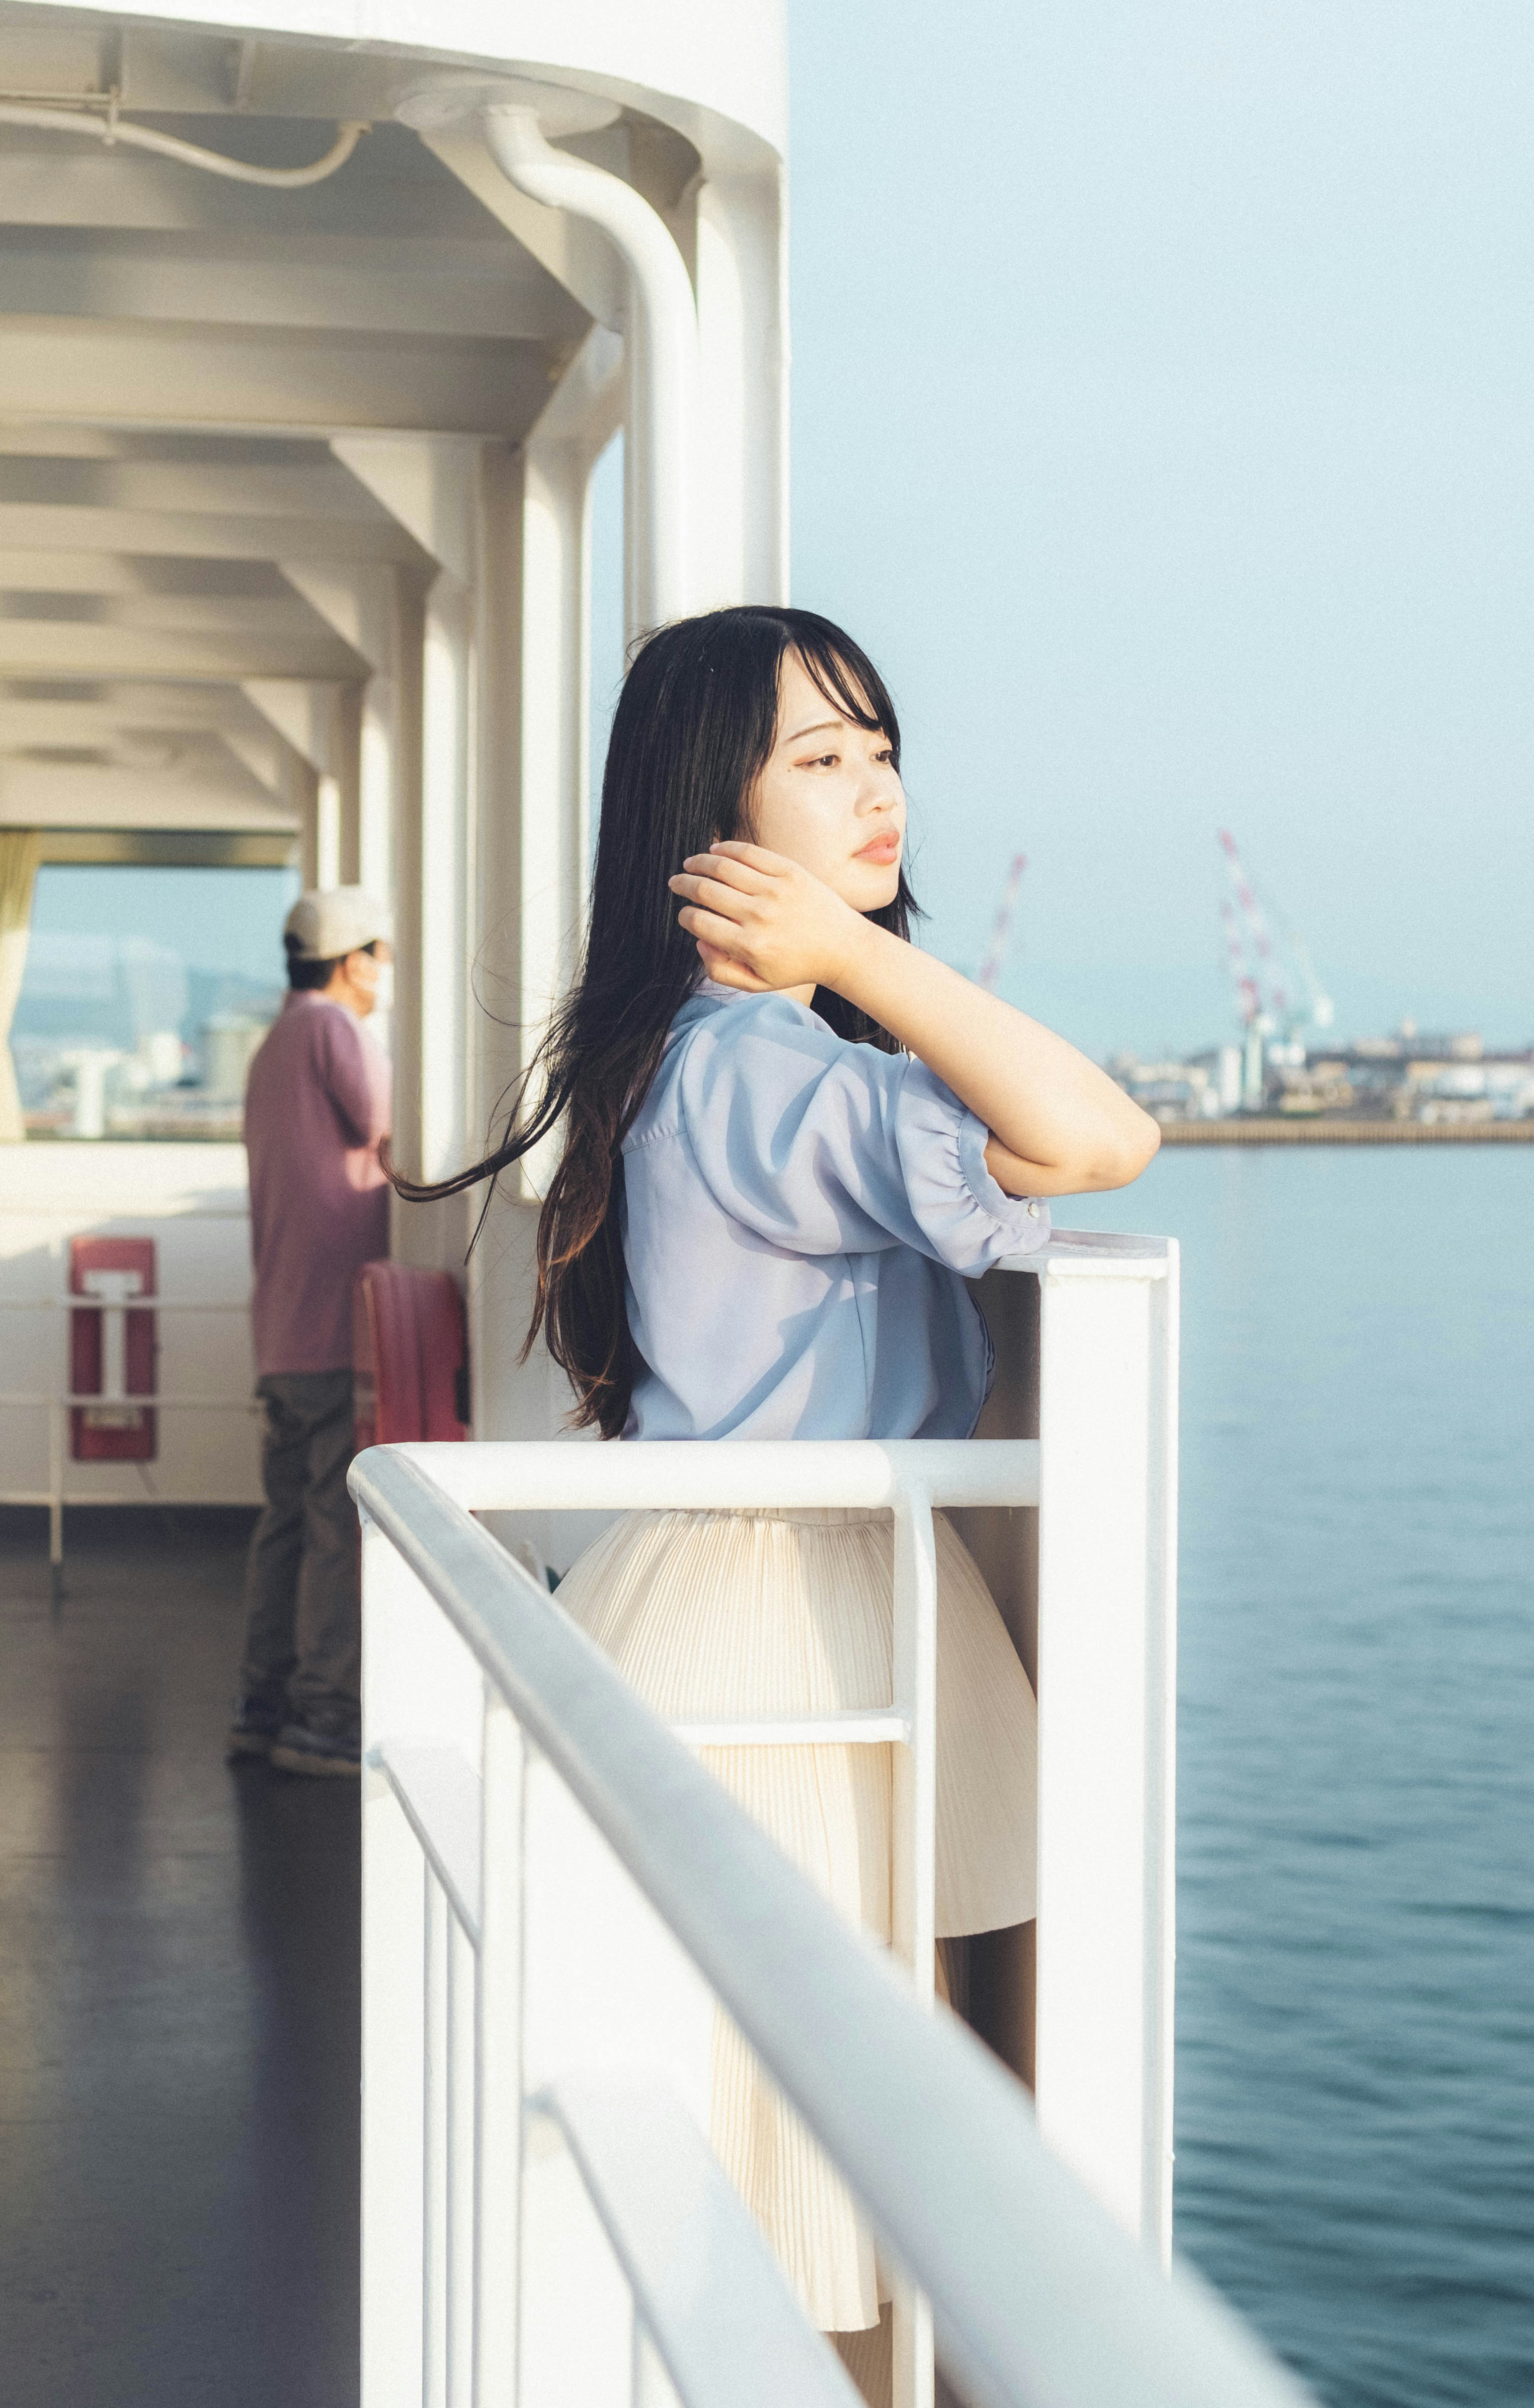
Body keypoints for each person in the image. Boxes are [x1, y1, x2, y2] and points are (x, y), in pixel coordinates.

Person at [395, 609, 1157, 2398]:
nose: (876, 788)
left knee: (768, 2129)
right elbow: (1097, 1136)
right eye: (818, 759)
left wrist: (842, 956)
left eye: (882, 749)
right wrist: (860, 959)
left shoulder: (692, 1061)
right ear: (708, 824)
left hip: (736, 1596)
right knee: (814, 2158)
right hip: (799, 1624)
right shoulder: (777, 1072)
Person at [228, 887, 393, 1778]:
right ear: (350, 960)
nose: (386, 975)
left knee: (284, 1523)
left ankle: (260, 1701)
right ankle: (323, 1716)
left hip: (281, 1328)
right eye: (382, 955)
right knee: (333, 1524)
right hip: (334, 1326)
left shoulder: (269, 1046)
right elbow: (386, 1127)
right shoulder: (332, 1030)